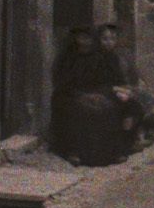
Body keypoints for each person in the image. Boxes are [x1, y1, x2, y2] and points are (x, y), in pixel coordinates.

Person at [49, 25, 134, 167]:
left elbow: (104, 80)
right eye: (82, 38)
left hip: (96, 93)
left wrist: (98, 94)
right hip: (69, 95)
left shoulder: (98, 57)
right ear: (76, 39)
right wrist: (81, 95)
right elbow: (62, 82)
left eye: (88, 38)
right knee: (79, 111)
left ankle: (109, 154)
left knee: (107, 109)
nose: (85, 42)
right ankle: (74, 152)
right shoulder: (67, 57)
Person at [95, 23, 154, 145]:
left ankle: (146, 130)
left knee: (146, 97)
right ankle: (133, 138)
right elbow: (100, 82)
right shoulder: (96, 58)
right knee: (133, 101)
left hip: (116, 87)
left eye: (112, 39)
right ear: (99, 40)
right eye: (105, 39)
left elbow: (119, 78)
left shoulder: (114, 56)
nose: (109, 42)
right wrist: (122, 90)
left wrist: (127, 87)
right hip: (104, 90)